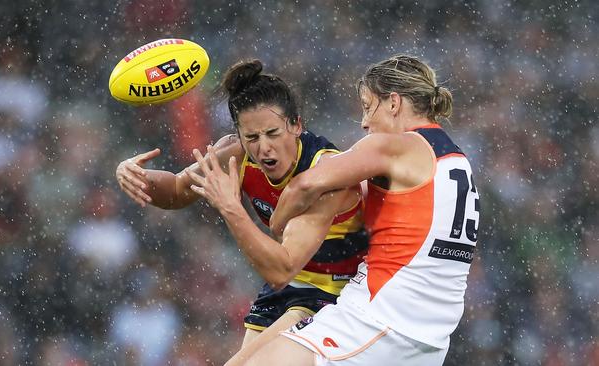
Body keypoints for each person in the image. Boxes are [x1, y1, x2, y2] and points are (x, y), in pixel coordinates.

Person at [197, 54, 480, 365]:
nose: (364, 121)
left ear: (394, 103)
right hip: (429, 336)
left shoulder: (395, 145)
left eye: (368, 105)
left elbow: (305, 185)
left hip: (378, 319)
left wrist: (274, 222)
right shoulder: (457, 160)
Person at [115, 60, 368, 364]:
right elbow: (175, 192)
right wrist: (132, 174)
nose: (264, 148)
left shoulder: (325, 174)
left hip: (337, 292)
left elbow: (281, 269)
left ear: (296, 125)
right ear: (238, 135)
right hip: (289, 288)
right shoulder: (237, 156)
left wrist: (231, 208)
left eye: (273, 133)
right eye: (252, 138)